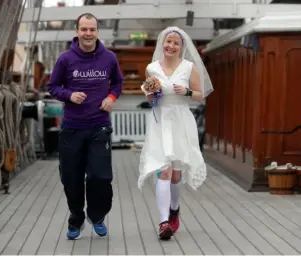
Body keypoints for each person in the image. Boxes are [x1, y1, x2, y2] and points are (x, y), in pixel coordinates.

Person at [47, 13, 123, 240]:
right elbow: (52, 87)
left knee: (100, 176)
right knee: (71, 178)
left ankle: (97, 216)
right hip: (72, 128)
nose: (88, 34)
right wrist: (69, 95)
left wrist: (111, 97)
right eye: (84, 29)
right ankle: (76, 219)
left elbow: (118, 82)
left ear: (97, 31)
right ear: (77, 31)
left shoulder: (109, 58)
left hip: (99, 126)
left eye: (92, 29)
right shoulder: (65, 59)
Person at [138, 27, 213, 240]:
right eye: (168, 42)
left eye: (175, 43)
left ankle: (174, 209)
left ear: (181, 47)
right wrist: (153, 93)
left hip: (181, 121)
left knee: (176, 173)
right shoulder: (151, 68)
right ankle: (163, 223)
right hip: (160, 122)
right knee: (164, 170)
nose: (170, 46)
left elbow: (200, 95)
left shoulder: (189, 68)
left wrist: (188, 92)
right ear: (162, 44)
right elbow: (151, 99)